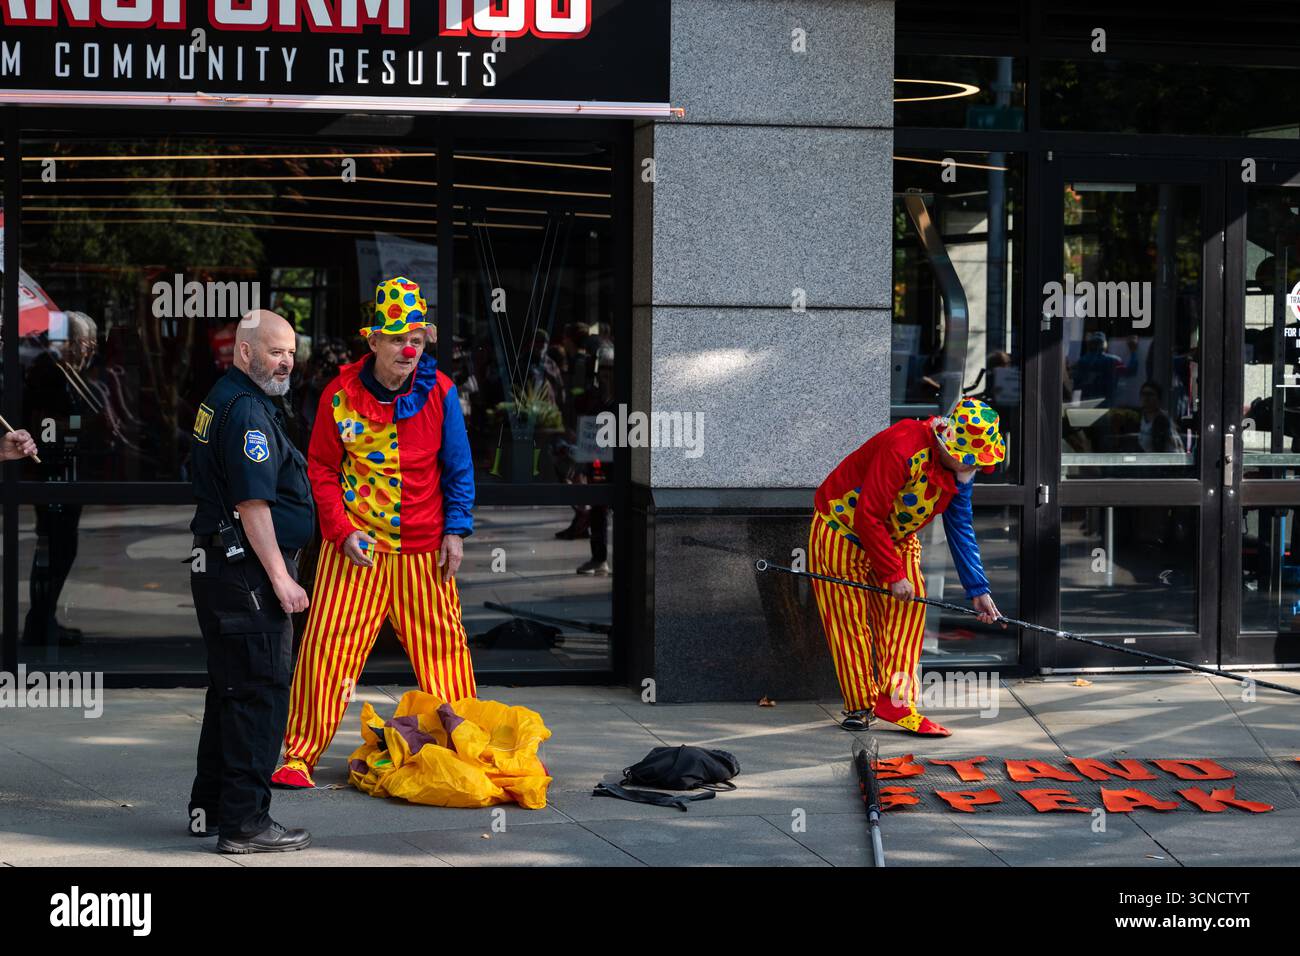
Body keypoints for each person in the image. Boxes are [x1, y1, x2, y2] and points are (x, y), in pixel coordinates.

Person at [271, 276, 477, 789]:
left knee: (446, 655)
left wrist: (456, 531)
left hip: (424, 554)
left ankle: (468, 748)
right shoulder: (339, 395)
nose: (410, 349)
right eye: (397, 338)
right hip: (355, 552)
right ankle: (299, 755)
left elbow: (458, 469)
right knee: (325, 650)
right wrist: (339, 531)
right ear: (373, 342)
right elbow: (319, 467)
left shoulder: (442, 393)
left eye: (418, 338)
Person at [188, 309, 314, 854]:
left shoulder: (226, 399)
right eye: (274, 351)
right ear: (245, 353)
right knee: (258, 695)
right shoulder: (246, 414)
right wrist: (282, 579)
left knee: (231, 691)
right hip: (248, 575)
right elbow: (253, 504)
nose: (286, 361)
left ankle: (211, 809)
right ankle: (246, 824)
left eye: (290, 351)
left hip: (226, 568)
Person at [810, 398, 1008, 735]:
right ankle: (860, 706)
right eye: (970, 462)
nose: (973, 470)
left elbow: (960, 526)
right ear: (949, 446)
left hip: (897, 537)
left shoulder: (960, 470)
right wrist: (893, 574)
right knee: (849, 619)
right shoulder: (903, 446)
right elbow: (868, 515)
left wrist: (978, 590)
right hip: (841, 529)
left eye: (978, 464)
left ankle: (897, 702)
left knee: (909, 611)